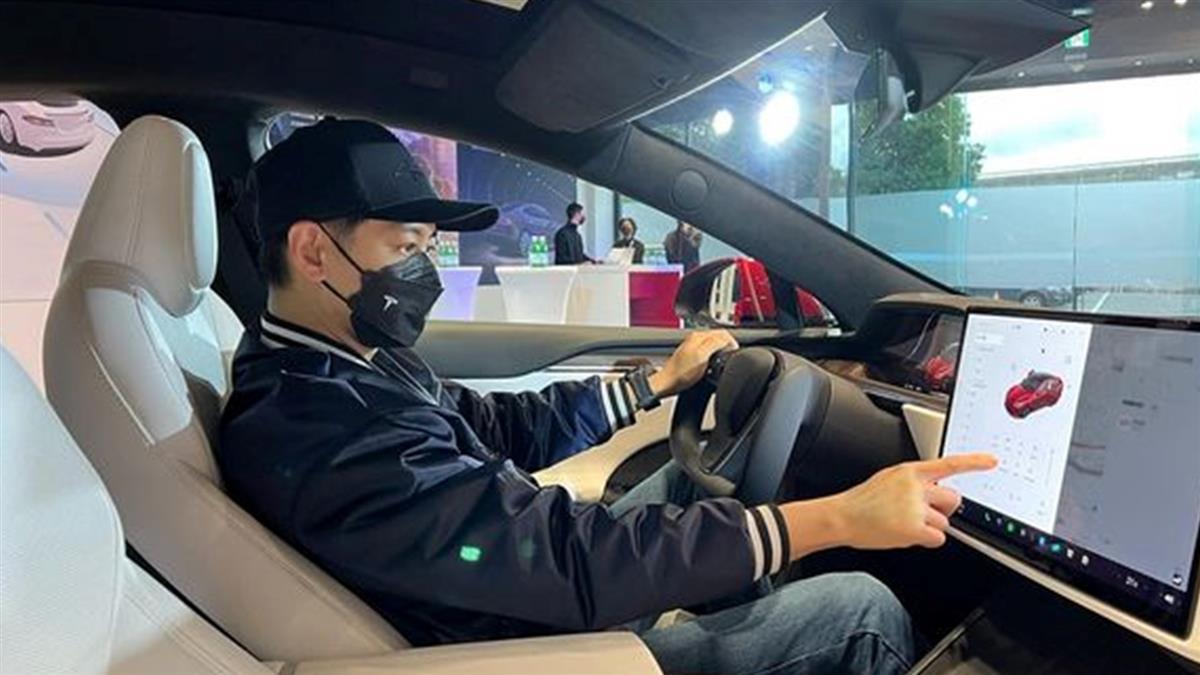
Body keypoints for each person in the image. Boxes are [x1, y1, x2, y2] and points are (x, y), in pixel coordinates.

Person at [219, 118, 998, 675]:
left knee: (692, 478)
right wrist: (838, 518)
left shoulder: (344, 364)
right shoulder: (316, 429)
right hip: (522, 643)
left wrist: (655, 383)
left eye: (427, 249)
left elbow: (495, 425)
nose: (422, 271)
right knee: (858, 610)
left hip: (514, 593)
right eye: (404, 247)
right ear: (313, 250)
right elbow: (563, 559)